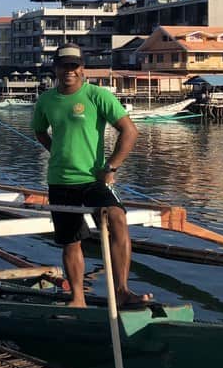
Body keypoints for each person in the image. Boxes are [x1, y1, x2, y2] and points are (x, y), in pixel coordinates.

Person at [31, 42, 147, 308]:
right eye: (64, 66)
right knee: (71, 242)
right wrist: (56, 151)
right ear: (55, 68)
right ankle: (78, 299)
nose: (69, 71)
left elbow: (129, 131)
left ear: (82, 68)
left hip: (94, 179)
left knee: (117, 218)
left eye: (74, 65)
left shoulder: (97, 95)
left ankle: (122, 291)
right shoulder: (46, 100)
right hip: (60, 181)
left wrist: (112, 167)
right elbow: (39, 131)